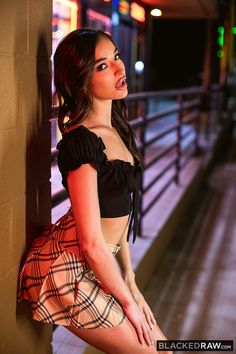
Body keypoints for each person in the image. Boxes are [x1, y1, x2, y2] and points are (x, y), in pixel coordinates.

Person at [18, 28, 172, 354]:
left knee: (164, 348)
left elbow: (120, 212)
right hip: (67, 271)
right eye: (102, 66)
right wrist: (127, 302)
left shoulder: (116, 127)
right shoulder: (81, 142)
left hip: (98, 260)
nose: (120, 68)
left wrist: (130, 278)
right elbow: (91, 243)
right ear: (81, 81)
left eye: (116, 57)